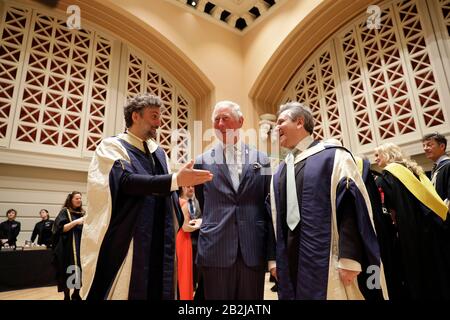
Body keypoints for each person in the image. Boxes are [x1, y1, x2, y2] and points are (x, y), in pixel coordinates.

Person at [80, 93, 212, 300]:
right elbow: (125, 182)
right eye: (154, 116)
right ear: (135, 116)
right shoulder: (112, 146)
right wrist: (176, 180)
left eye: (160, 117)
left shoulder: (159, 152)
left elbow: (168, 192)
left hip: (160, 236)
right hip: (129, 237)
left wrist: (182, 219)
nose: (159, 123)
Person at [270, 102, 386, 300]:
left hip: (329, 261)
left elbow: (350, 206)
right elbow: (271, 217)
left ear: (300, 122)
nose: (276, 128)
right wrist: (273, 260)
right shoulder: (280, 170)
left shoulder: (334, 156)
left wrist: (350, 258)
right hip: (289, 259)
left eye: (281, 122)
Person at [194, 100, 276, 300]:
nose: (220, 124)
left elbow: (267, 203)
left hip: (253, 246)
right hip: (216, 248)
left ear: (240, 121)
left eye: (225, 118)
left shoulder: (262, 159)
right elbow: (203, 202)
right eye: (216, 119)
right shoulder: (201, 161)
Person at [374, 142, 449, 299]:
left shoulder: (390, 173)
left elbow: (389, 205)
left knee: (419, 272)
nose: (375, 158)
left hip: (411, 229)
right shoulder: (413, 169)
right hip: (431, 224)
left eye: (378, 155)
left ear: (387, 155)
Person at [52, 191, 85, 300]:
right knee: (68, 270)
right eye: (77, 198)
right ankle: (67, 295)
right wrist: (76, 222)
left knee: (79, 270)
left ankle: (76, 293)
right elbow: (59, 229)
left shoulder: (83, 213)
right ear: (71, 199)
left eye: (80, 198)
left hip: (80, 246)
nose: (79, 200)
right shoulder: (64, 212)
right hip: (67, 247)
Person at [176, 186, 202, 300]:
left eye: (193, 186)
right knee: (184, 272)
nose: (191, 188)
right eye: (188, 186)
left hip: (187, 238)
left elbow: (196, 215)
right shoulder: (184, 202)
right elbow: (186, 227)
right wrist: (201, 224)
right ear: (181, 187)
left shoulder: (191, 201)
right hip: (185, 238)